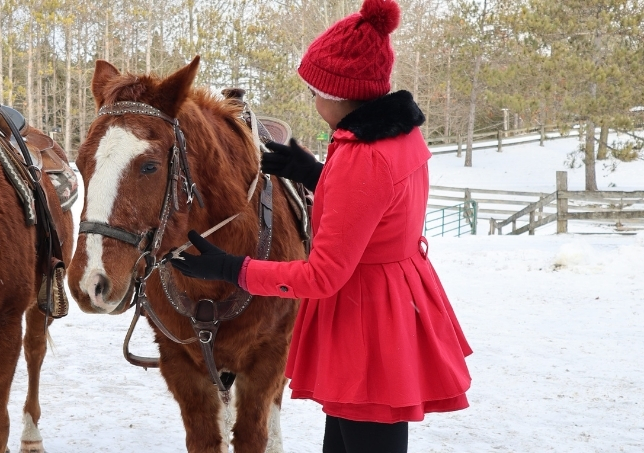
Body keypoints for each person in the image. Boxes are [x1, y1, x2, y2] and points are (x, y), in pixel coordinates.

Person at [169, 0, 473, 451]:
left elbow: (322, 275)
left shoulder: (361, 158)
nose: (313, 102)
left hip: (366, 320)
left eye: (316, 92)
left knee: (366, 438)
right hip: (390, 299)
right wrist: (316, 174)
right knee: (350, 439)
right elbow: (379, 205)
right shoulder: (399, 135)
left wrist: (232, 268)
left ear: (338, 93)